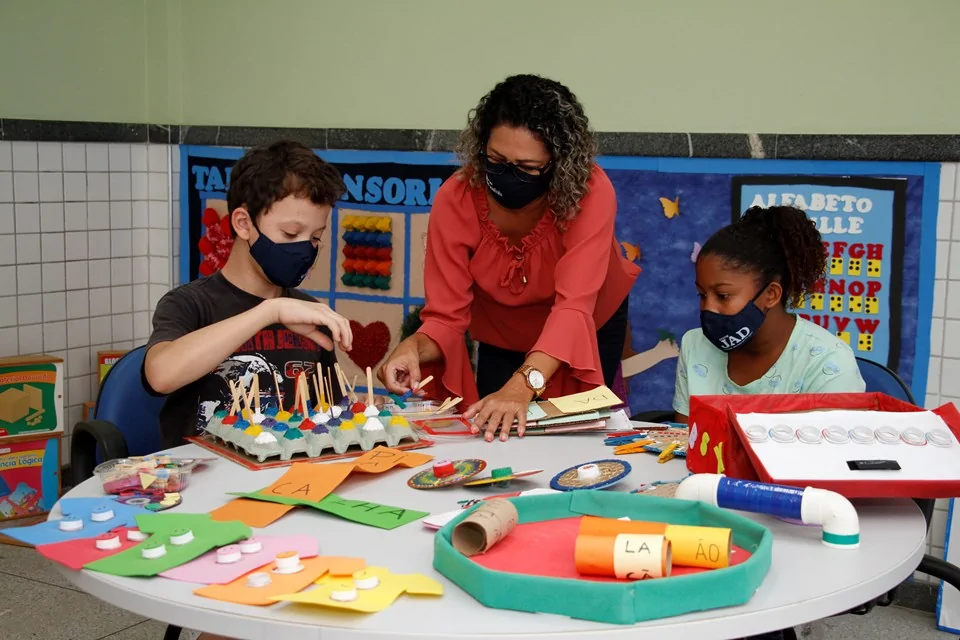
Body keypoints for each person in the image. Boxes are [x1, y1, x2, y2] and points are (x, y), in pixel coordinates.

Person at [378, 74, 639, 442]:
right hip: (502, 332)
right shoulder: (455, 199)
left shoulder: (590, 192)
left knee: (571, 437)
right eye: (496, 160)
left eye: (528, 168)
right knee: (495, 429)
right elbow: (446, 319)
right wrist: (413, 347)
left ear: (560, 164)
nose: (507, 175)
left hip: (584, 325)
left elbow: (573, 307)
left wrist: (522, 386)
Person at [143, 141, 353, 449]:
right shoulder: (190, 304)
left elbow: (330, 415)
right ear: (243, 224)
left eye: (316, 237)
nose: (305, 248)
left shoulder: (308, 313)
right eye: (290, 234)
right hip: (207, 488)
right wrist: (269, 312)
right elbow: (160, 375)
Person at [673, 204, 865, 423]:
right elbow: (685, 444)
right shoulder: (695, 345)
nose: (708, 308)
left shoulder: (827, 362)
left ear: (771, 294)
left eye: (723, 295)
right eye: (701, 295)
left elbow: (831, 454)